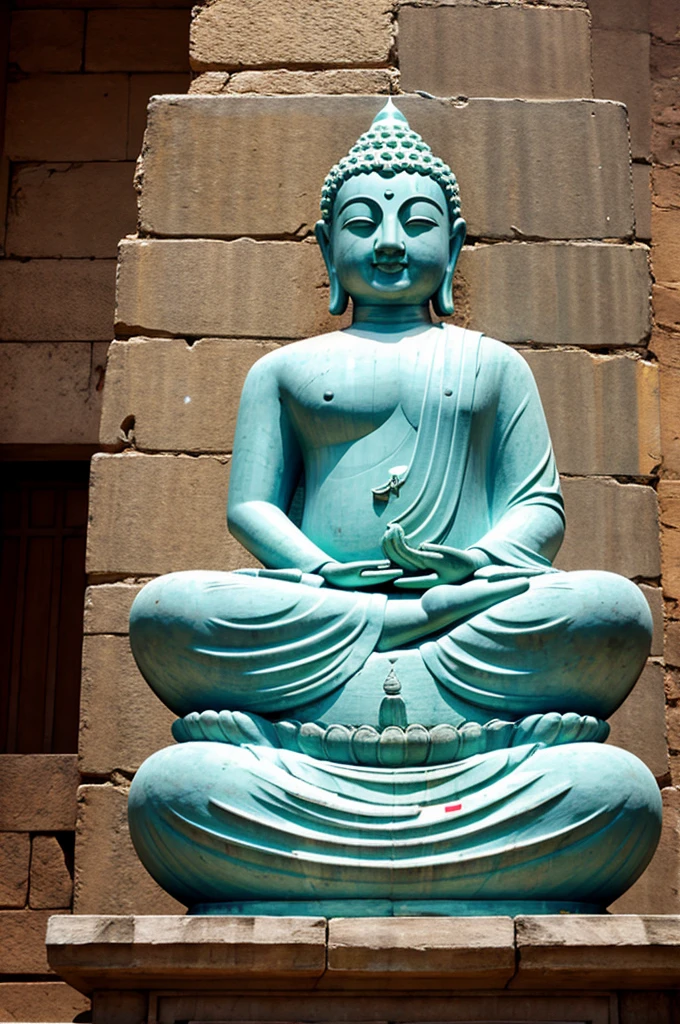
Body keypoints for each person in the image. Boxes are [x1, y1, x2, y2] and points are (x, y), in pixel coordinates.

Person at [127, 100, 661, 915]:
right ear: (324, 245)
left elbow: (538, 508)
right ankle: (405, 687)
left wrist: (473, 566)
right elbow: (252, 509)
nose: (387, 241)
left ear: (453, 246)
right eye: (362, 222)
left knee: (608, 618)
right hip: (321, 619)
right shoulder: (285, 370)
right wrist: (325, 576)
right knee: (169, 622)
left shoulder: (492, 366)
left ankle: (348, 785)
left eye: (415, 221)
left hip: (468, 633)